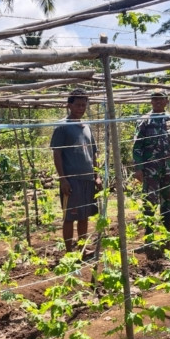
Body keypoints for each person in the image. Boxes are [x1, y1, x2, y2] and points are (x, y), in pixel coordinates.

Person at [50, 88, 101, 254]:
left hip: (87, 179)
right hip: (71, 180)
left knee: (84, 215)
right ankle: (69, 252)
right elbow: (57, 153)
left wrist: (97, 175)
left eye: (84, 105)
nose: (81, 108)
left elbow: (94, 153)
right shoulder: (62, 127)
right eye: (78, 105)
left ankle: (82, 248)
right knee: (69, 217)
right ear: (69, 105)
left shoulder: (86, 127)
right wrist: (63, 179)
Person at [132, 89, 170, 234]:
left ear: (167, 101)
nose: (157, 101)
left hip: (168, 169)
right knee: (150, 202)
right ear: (151, 101)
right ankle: (149, 236)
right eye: (155, 99)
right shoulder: (145, 121)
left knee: (167, 201)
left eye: (161, 99)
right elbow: (137, 146)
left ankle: (166, 233)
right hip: (151, 170)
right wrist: (138, 168)